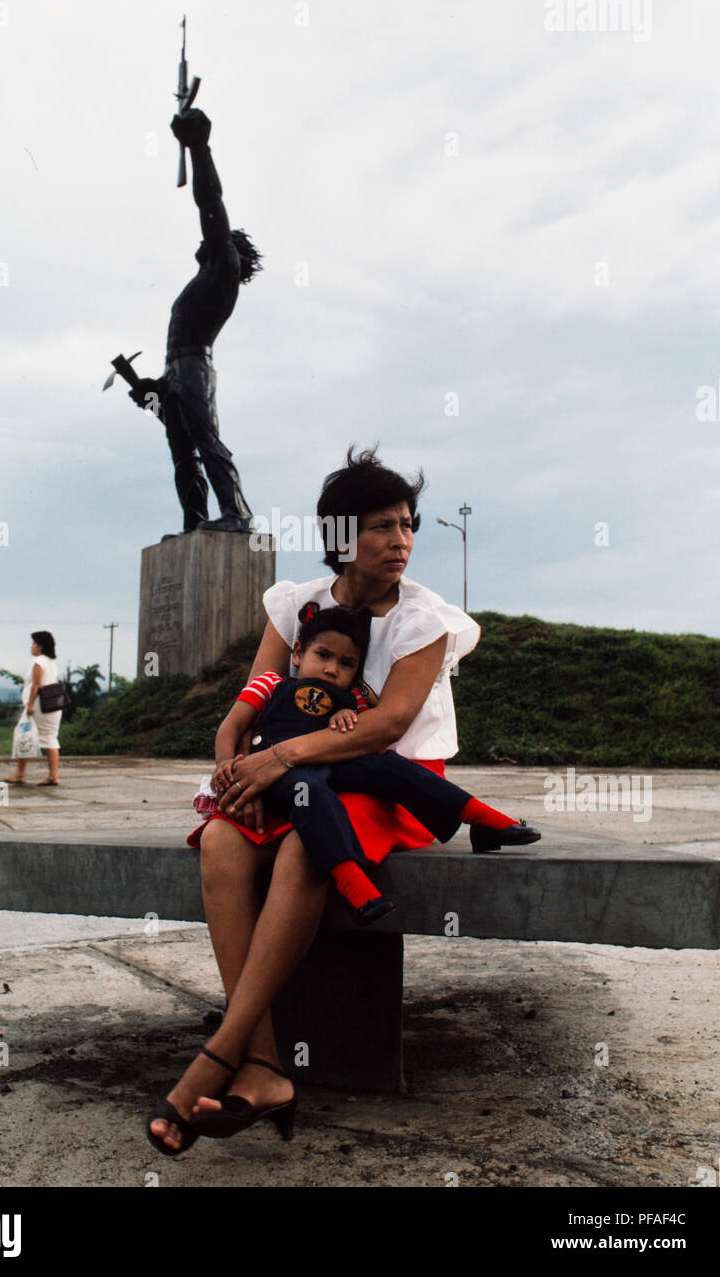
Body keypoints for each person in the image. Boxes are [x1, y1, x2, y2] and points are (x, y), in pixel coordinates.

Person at [147, 447, 538, 1156]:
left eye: (408, 525)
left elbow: (387, 723)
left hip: (394, 782)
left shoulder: (424, 619)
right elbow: (248, 707)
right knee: (223, 841)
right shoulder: (299, 608)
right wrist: (237, 772)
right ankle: (264, 1067)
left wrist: (280, 760)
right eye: (383, 527)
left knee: (308, 846)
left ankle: (224, 1051)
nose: (403, 542)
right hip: (291, 774)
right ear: (340, 539)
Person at [193, 601, 508, 925]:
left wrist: (348, 716)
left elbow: (368, 731)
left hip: (330, 763)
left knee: (387, 765)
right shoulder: (271, 683)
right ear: (298, 652)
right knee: (310, 792)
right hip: (277, 774)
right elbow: (230, 727)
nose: (332, 669)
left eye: (346, 663)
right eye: (323, 655)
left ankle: (479, 817)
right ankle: (353, 885)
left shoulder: (352, 697)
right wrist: (225, 765)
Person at [129, 107, 263, 533]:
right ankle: (196, 521)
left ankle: (237, 515)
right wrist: (155, 393)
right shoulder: (201, 279)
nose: (200, 243)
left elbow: (210, 202)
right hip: (176, 371)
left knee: (205, 443)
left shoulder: (222, 270)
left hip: (193, 366)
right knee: (183, 452)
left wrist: (199, 147)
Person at [10, 631, 62, 787]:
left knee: (22, 735)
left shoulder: (39, 661)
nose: (31, 647)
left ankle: (20, 774)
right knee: (50, 739)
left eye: (33, 643)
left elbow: (36, 684)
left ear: (40, 646)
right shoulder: (52, 663)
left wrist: (30, 705)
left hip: (39, 707)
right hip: (52, 707)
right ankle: (53, 776)